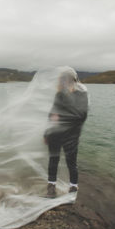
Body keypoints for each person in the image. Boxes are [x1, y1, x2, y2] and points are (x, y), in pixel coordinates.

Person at [43, 67, 89, 198]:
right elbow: (52, 115)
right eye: (62, 80)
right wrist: (47, 133)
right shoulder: (60, 94)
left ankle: (73, 188)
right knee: (54, 160)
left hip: (71, 135)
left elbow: (82, 115)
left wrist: (63, 119)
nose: (63, 82)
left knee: (71, 162)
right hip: (56, 133)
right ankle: (51, 188)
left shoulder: (81, 95)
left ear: (72, 80)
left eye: (65, 80)